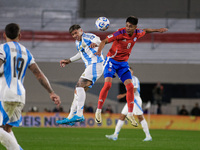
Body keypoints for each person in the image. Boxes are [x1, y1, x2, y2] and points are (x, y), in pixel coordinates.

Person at [95, 16, 168, 126]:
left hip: (123, 64)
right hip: (111, 61)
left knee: (129, 87)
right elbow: (104, 41)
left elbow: (146, 31)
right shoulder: (119, 33)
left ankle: (130, 114)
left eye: (130, 26)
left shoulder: (137, 33)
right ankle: (98, 111)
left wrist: (158, 30)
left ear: (135, 27)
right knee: (108, 84)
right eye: (127, 25)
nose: (128, 28)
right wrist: (99, 51)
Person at [0, 23, 61, 150]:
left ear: (4, 34)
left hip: (4, 94)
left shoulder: (2, 48)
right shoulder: (26, 52)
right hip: (20, 96)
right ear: (20, 35)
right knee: (7, 128)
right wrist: (51, 92)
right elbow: (38, 74)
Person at [56, 24, 104, 125]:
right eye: (73, 34)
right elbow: (80, 53)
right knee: (77, 91)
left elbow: (99, 40)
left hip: (96, 63)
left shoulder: (88, 36)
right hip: (90, 66)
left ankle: (79, 114)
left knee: (79, 86)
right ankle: (70, 118)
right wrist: (69, 60)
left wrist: (95, 43)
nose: (74, 35)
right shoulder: (77, 43)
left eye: (76, 33)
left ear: (81, 30)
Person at [105, 68, 152, 141]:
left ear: (132, 72)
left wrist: (123, 95)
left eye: (130, 71)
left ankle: (148, 136)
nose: (129, 72)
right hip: (130, 100)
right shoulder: (126, 80)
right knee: (122, 116)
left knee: (140, 117)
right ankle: (115, 135)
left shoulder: (134, 79)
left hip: (135, 99)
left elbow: (134, 90)